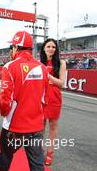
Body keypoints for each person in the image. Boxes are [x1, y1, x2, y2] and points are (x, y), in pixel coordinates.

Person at [0, 31, 49, 171]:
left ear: (16, 47)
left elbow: (5, 98)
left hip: (15, 126)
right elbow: (45, 98)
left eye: (13, 47)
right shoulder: (43, 68)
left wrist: (5, 113)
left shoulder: (10, 66)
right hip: (35, 125)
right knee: (37, 165)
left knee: (5, 156)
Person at [40, 38, 66, 166]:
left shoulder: (61, 63)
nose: (51, 49)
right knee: (40, 126)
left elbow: (61, 83)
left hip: (54, 97)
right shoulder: (38, 62)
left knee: (53, 126)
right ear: (44, 48)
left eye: (53, 47)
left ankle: (50, 152)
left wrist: (49, 77)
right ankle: (39, 150)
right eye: (48, 46)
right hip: (40, 97)